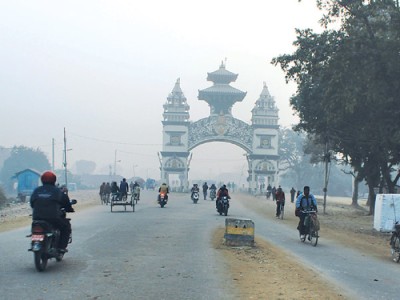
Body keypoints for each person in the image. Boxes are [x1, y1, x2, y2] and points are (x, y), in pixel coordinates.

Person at [30, 171, 74, 253]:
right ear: (54, 180)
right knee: (66, 227)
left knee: (34, 229)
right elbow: (66, 202)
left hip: (37, 217)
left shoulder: (36, 190)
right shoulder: (58, 191)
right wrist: (69, 209)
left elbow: (32, 203)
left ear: (42, 180)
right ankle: (61, 247)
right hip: (54, 218)